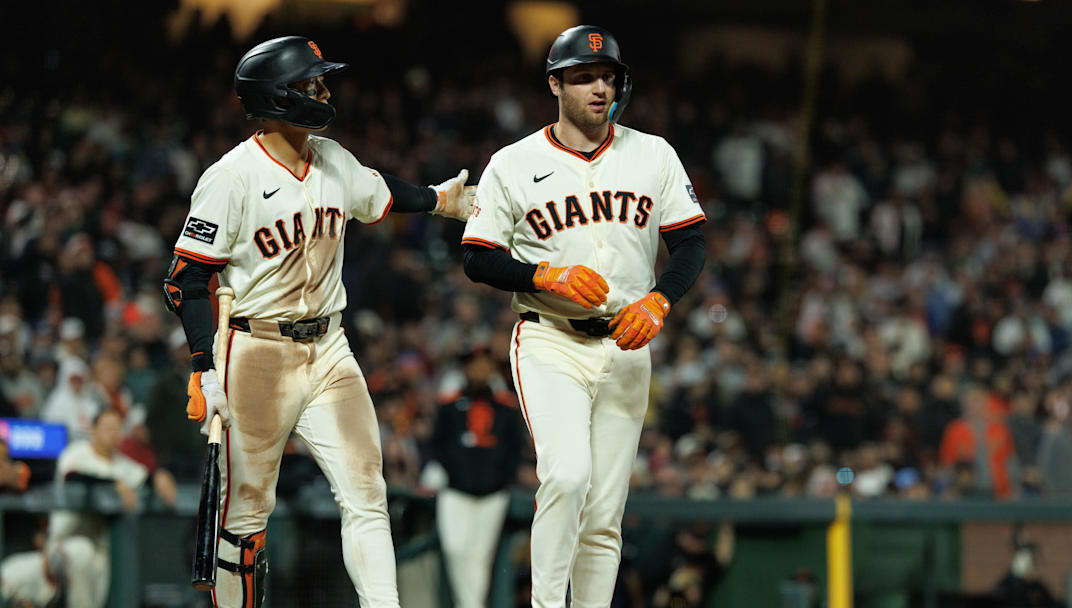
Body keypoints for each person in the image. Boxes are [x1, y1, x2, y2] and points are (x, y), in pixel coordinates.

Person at [163, 36, 475, 608]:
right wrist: (204, 367)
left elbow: (381, 195)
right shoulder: (229, 177)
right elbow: (183, 281)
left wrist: (437, 199)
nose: (322, 91)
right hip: (256, 352)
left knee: (367, 491)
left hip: (330, 347)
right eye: (310, 83)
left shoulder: (331, 157)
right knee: (246, 514)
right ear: (276, 97)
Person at [461, 25, 706, 608]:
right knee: (567, 476)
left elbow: (692, 241)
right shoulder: (513, 163)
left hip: (626, 344)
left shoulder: (653, 153)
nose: (599, 87)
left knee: (604, 515)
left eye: (607, 76)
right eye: (583, 77)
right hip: (551, 340)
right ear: (555, 84)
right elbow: (477, 257)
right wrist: (544, 275)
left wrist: (661, 298)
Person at [44, 409, 176, 608]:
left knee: (103, 572)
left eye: (117, 428)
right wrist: (112, 483)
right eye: (106, 428)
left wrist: (159, 476)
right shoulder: (76, 452)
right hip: (64, 542)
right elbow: (72, 477)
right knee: (82, 552)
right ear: (94, 430)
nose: (112, 433)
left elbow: (147, 477)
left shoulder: (123, 465)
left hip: (99, 548)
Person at [428, 347, 524, 608]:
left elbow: (516, 447)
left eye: (485, 365)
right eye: (474, 365)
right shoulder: (449, 405)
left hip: (493, 492)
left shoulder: (506, 406)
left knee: (481, 555)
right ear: (465, 369)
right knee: (455, 549)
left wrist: (506, 477)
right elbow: (435, 443)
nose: (480, 371)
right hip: (455, 490)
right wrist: (437, 468)